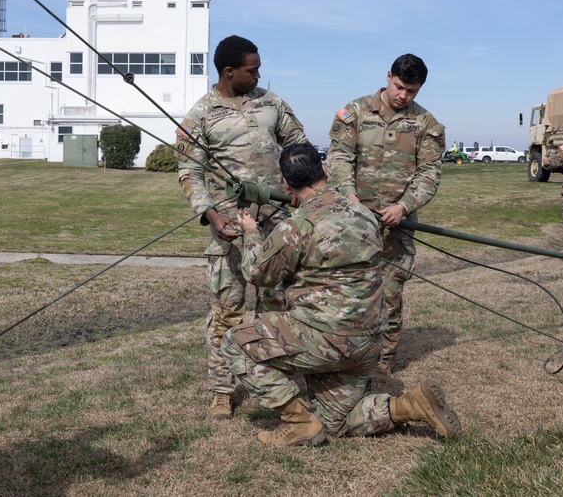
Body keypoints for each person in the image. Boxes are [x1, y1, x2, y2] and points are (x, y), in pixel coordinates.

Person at [220, 143, 462, 446]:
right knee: (333, 423)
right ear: (324, 171)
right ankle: (410, 404)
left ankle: (297, 422)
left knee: (235, 343)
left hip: (326, 340)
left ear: (286, 184)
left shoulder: (296, 226)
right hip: (369, 342)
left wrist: (251, 231)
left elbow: (258, 273)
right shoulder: (363, 213)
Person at [176, 35, 308, 419]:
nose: (259, 75)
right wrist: (211, 215)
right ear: (229, 72)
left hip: (277, 224)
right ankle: (221, 389)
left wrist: (303, 189)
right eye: (252, 70)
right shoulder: (200, 116)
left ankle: (279, 378)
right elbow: (188, 171)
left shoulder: (272, 103)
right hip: (229, 227)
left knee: (276, 305)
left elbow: (297, 145)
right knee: (227, 309)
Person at [326, 54, 445, 375]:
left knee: (390, 294)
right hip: (352, 223)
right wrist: (349, 197)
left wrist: (403, 206)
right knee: (346, 291)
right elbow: (338, 158)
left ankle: (382, 363)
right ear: (388, 75)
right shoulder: (355, 112)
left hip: (397, 228)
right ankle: (344, 354)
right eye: (399, 87)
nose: (403, 96)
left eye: (412, 91)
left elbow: (429, 174)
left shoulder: (426, 125)